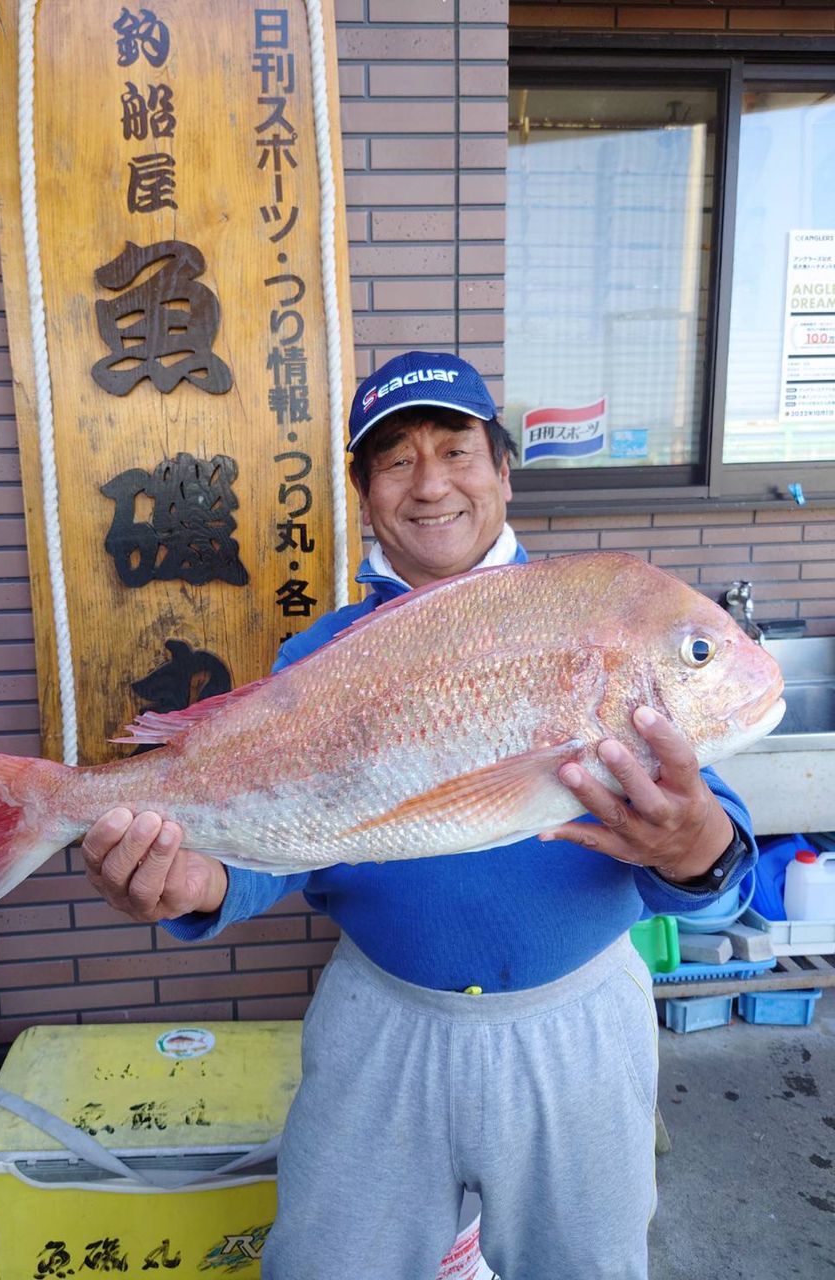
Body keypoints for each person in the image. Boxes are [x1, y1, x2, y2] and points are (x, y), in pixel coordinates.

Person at [81, 351, 757, 1280]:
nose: (430, 483)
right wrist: (202, 882)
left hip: (580, 1026)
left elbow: (719, 849)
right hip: (381, 1023)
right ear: (364, 494)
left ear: (503, 472)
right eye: (396, 461)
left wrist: (699, 848)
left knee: (587, 1266)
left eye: (456, 450)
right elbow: (289, 838)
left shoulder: (596, 613)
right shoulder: (321, 654)